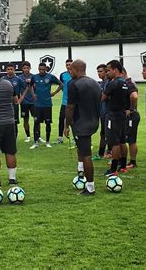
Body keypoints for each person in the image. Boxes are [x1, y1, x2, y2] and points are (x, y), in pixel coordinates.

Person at [64, 60, 101, 196]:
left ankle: (90, 187)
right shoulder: (95, 83)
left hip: (81, 124)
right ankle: (81, 171)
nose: (69, 72)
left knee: (86, 155)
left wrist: (66, 124)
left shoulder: (73, 84)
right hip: (94, 122)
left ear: (76, 69)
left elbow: (70, 107)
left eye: (71, 70)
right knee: (82, 149)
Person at [24, 62, 62, 149]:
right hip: (37, 105)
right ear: (38, 69)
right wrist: (33, 94)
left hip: (47, 105)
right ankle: (35, 142)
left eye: (43, 70)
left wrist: (54, 93)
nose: (41, 71)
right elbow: (30, 86)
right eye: (40, 69)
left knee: (48, 123)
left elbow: (60, 84)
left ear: (46, 70)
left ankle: (48, 142)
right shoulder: (34, 77)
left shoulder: (50, 77)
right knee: (36, 123)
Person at [103, 60, 130, 176]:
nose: (107, 73)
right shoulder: (124, 83)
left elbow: (102, 98)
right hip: (122, 115)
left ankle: (113, 169)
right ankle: (123, 165)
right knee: (122, 141)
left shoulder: (112, 84)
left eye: (108, 70)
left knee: (114, 143)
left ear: (115, 70)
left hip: (112, 115)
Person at [122, 68, 140, 169]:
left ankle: (133, 162)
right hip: (127, 116)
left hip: (131, 116)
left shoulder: (129, 83)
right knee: (125, 139)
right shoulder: (127, 82)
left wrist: (131, 109)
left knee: (131, 140)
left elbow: (134, 96)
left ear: (123, 73)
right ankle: (124, 160)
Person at [92, 64, 109, 160]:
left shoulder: (108, 83)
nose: (99, 73)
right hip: (102, 112)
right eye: (98, 71)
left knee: (106, 133)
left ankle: (106, 152)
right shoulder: (101, 84)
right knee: (103, 133)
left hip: (108, 113)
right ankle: (102, 152)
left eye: (101, 71)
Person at [3, 63, 23, 139]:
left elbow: (26, 88)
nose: (10, 71)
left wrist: (20, 99)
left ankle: (14, 138)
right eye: (8, 69)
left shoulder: (18, 79)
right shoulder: (3, 79)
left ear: (14, 70)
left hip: (14, 103)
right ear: (6, 70)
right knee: (6, 120)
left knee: (14, 121)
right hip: (5, 102)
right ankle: (6, 137)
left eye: (11, 69)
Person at [18, 61, 35, 143]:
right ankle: (28, 136)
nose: (26, 69)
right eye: (24, 68)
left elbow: (37, 87)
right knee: (25, 119)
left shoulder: (34, 77)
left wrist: (31, 82)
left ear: (30, 68)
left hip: (33, 101)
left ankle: (37, 136)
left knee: (36, 119)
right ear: (22, 69)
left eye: (27, 68)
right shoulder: (19, 78)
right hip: (24, 102)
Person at [57, 59, 73, 144]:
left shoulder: (76, 75)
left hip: (74, 102)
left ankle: (75, 138)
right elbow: (62, 86)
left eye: (70, 64)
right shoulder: (62, 75)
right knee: (61, 119)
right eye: (67, 64)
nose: (68, 66)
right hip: (64, 102)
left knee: (74, 121)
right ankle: (60, 138)